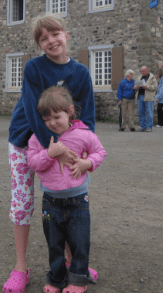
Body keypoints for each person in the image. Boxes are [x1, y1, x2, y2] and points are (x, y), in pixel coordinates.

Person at [3, 16, 97, 293]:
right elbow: (33, 112)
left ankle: (71, 263)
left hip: (66, 149)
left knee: (65, 203)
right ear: (39, 45)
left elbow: (87, 117)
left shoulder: (81, 73)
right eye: (43, 38)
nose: (51, 40)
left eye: (55, 33)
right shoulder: (33, 67)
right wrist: (55, 151)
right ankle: (21, 267)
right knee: (22, 204)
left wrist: (82, 151)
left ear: (65, 35)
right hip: (24, 141)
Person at [28, 86, 106, 292]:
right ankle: (56, 279)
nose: (52, 122)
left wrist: (86, 164)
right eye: (47, 118)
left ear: (70, 111)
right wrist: (49, 153)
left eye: (57, 116)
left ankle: (78, 281)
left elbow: (100, 152)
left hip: (78, 199)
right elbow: (33, 163)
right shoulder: (38, 138)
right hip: (50, 201)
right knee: (54, 244)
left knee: (79, 242)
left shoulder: (83, 134)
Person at [134, 66, 158, 132]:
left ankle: (149, 127)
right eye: (141, 71)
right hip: (140, 96)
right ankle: (143, 126)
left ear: (147, 70)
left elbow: (155, 87)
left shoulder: (152, 77)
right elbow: (135, 85)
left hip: (148, 97)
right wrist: (136, 87)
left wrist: (147, 87)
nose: (142, 72)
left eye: (144, 71)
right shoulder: (139, 77)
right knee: (141, 112)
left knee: (149, 112)